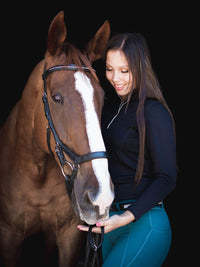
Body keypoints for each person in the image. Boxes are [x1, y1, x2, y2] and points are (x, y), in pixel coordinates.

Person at [77, 32, 177, 267]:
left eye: (125, 70)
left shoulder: (153, 112)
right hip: (108, 225)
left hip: (144, 223)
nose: (115, 78)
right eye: (110, 69)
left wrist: (125, 218)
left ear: (140, 68)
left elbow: (167, 178)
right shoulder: (109, 109)